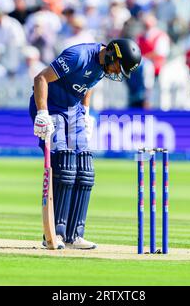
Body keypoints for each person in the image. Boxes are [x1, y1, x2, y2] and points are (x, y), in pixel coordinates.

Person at [29, 39, 142, 249]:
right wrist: (42, 112)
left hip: (75, 113)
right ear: (111, 53)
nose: (117, 72)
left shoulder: (102, 66)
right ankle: (54, 234)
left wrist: (87, 113)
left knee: (85, 170)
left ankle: (75, 235)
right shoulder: (78, 56)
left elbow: (87, 86)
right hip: (52, 109)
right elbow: (41, 78)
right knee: (65, 167)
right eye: (118, 66)